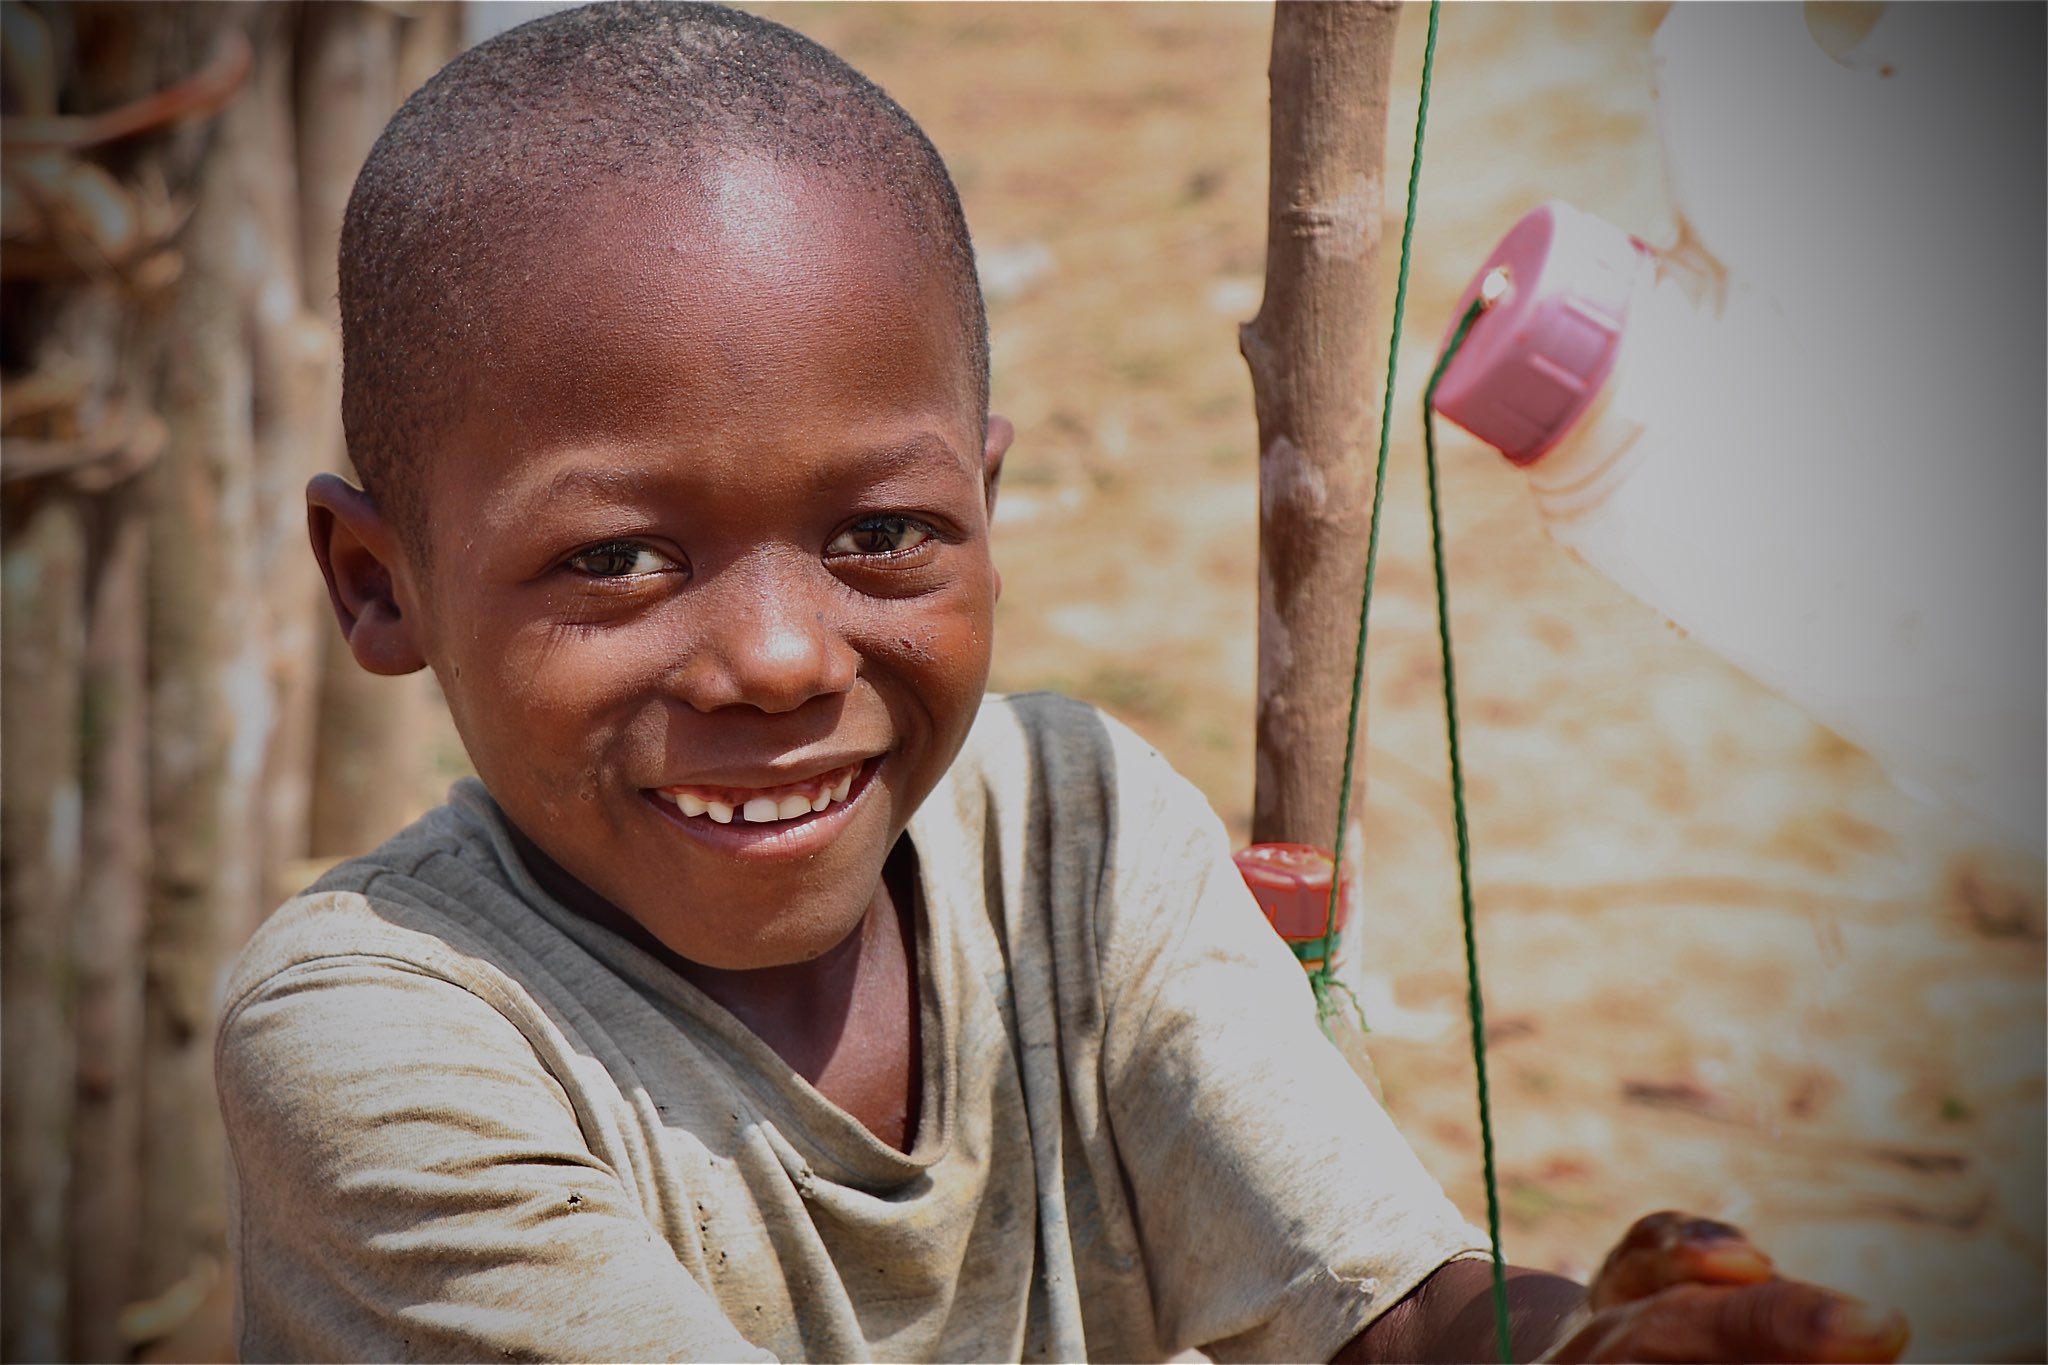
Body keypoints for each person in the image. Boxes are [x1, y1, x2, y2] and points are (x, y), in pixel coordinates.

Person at [216, 4, 1910, 1361]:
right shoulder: (377, 1029)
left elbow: (1386, 1309)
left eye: (881, 530)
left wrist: (1563, 1343)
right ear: (381, 585)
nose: (786, 656)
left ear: (987, 502)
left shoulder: (1072, 834)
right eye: (617, 559)